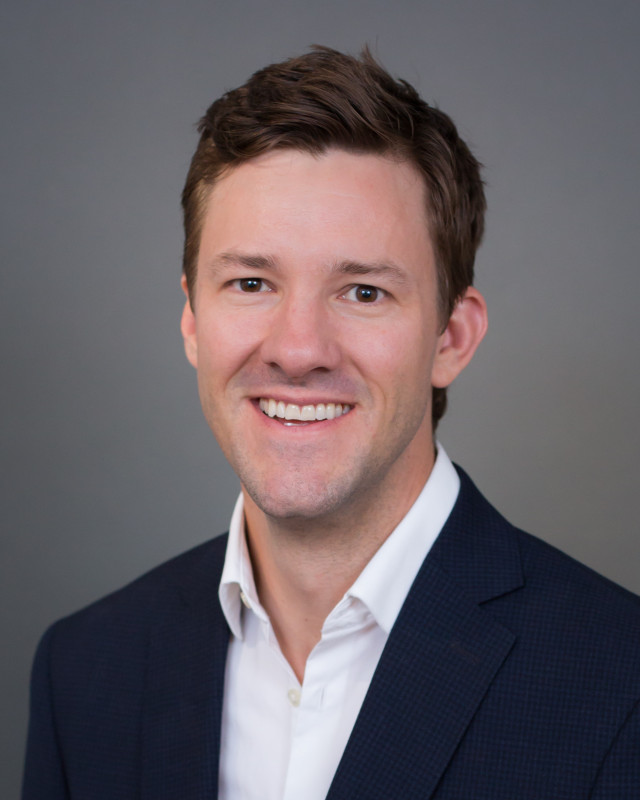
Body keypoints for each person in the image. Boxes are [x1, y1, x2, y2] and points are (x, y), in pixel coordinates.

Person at [23, 46, 640, 800]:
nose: (297, 351)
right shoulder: (85, 672)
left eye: (364, 292)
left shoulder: (620, 684)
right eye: (251, 283)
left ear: (451, 337)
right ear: (192, 320)